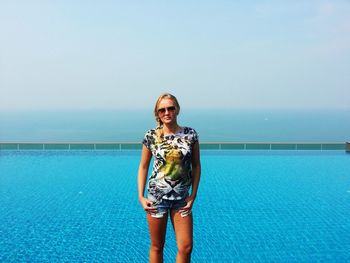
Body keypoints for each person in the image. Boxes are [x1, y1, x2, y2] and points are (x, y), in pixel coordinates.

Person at [138, 93, 201, 263]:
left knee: (186, 247)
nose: (167, 112)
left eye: (170, 108)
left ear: (177, 109)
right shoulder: (151, 135)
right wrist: (141, 197)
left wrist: (193, 195)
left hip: (181, 199)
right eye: (162, 110)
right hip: (156, 199)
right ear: (157, 114)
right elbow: (143, 166)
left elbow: (196, 166)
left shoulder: (190, 134)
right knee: (157, 246)